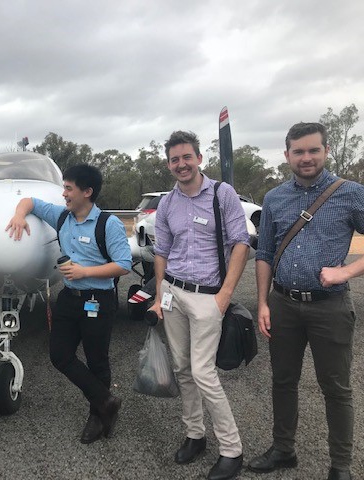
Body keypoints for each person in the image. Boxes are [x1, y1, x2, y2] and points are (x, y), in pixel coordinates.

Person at [248, 122, 364, 480]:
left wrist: (345, 273)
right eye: (298, 151)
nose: (306, 157)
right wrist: (263, 302)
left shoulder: (351, 193)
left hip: (330, 306)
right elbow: (265, 252)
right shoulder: (274, 198)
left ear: (326, 151)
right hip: (283, 304)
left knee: (336, 388)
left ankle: (340, 466)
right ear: (287, 156)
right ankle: (284, 450)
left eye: (313, 150)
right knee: (283, 381)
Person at [148, 131, 250, 480]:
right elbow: (162, 251)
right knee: (182, 369)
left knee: (204, 372)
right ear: (169, 164)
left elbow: (240, 244)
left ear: (199, 158)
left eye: (186, 157)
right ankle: (195, 434)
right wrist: (160, 294)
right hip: (173, 292)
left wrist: (223, 297)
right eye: (175, 160)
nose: (181, 164)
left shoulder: (223, 195)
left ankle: (231, 450)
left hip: (209, 296)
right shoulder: (167, 204)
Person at [6, 164, 131, 444]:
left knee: (97, 360)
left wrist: (85, 271)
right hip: (69, 299)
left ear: (87, 192)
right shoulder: (62, 216)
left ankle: (97, 415)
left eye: (68, 188)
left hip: (98, 301)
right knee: (59, 355)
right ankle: (106, 401)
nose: (63, 194)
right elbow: (30, 202)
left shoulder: (107, 224)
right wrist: (18, 215)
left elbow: (123, 265)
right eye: (64, 187)